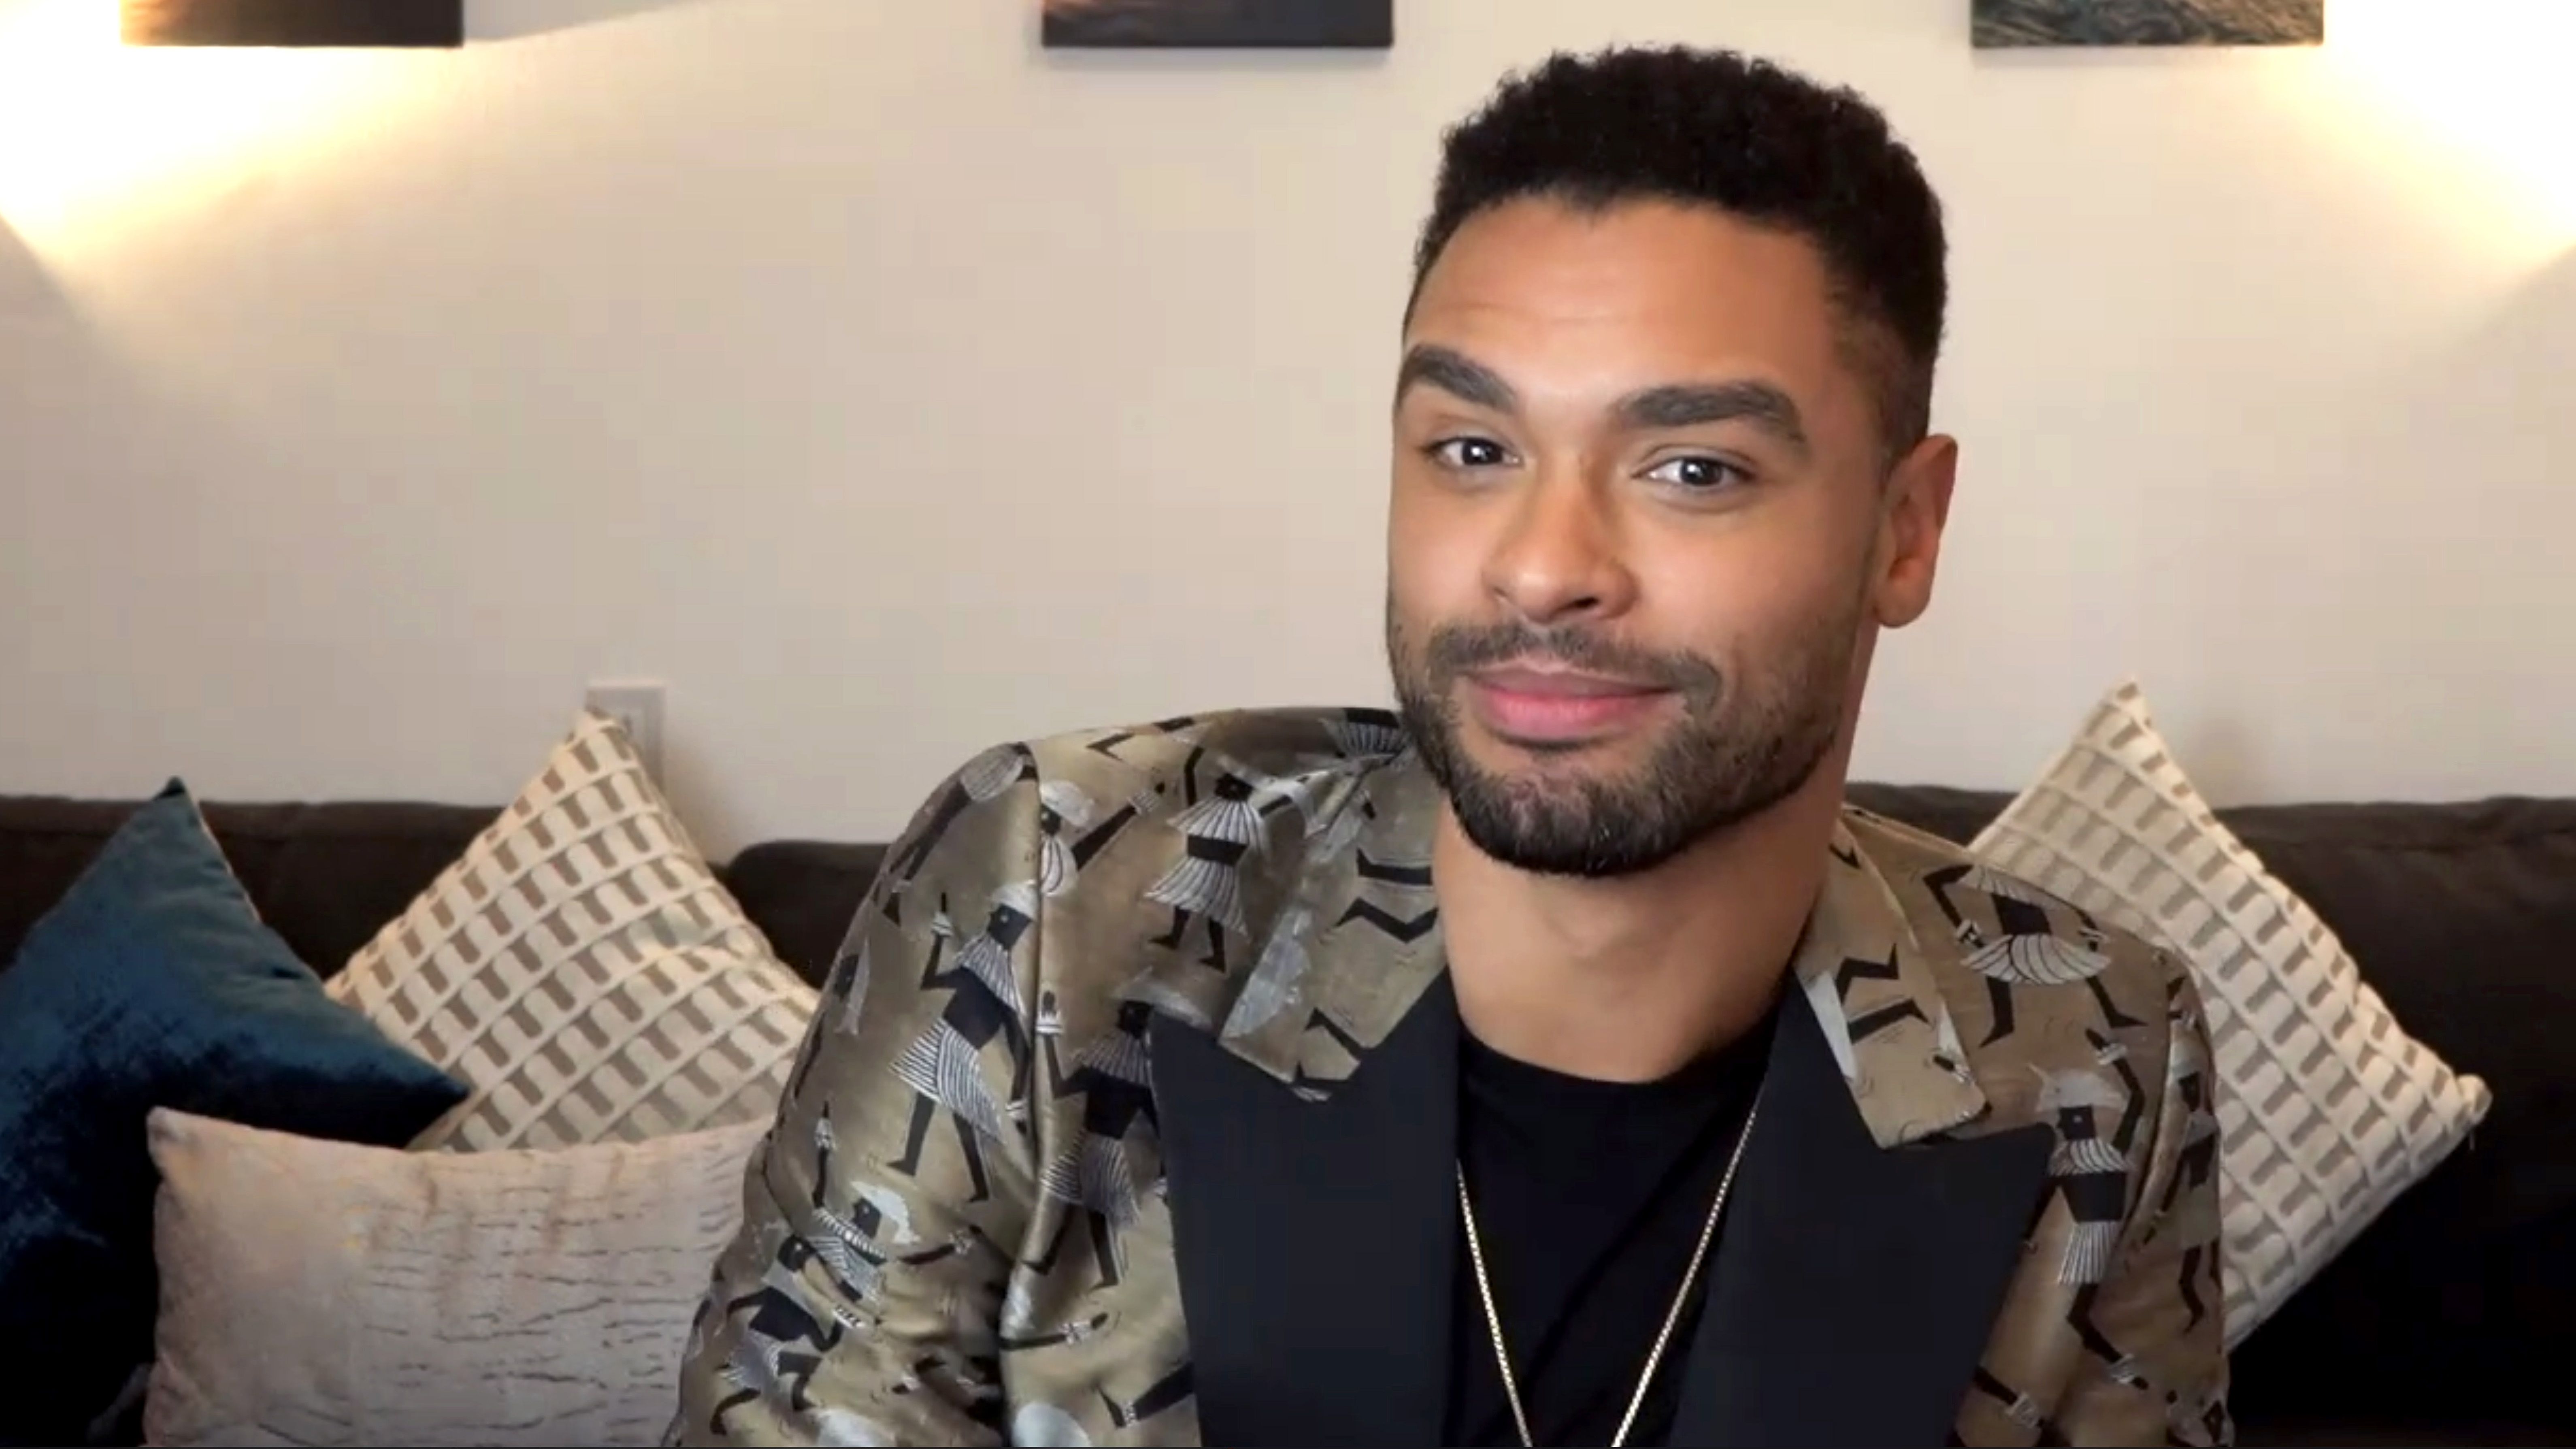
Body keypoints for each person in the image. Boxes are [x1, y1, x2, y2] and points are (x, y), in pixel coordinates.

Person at [671, 43, 2231, 1449]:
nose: (1541, 564)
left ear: (1903, 532)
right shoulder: (1057, 893)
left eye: (1690, 467)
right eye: (1471, 451)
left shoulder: (2089, 1050)